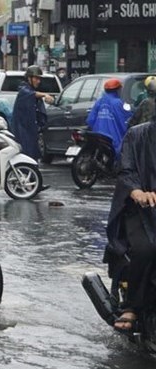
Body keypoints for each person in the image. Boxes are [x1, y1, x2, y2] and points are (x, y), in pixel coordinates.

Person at [104, 112, 156, 331]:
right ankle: (132, 306)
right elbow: (126, 170)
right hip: (140, 210)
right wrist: (137, 192)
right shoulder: (138, 135)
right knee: (147, 249)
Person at [10, 65, 54, 161]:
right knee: (25, 156)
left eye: (39, 79)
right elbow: (31, 94)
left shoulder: (31, 91)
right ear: (29, 78)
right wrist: (44, 95)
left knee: (33, 157)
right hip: (21, 131)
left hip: (31, 131)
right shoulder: (23, 90)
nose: (38, 81)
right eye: (36, 78)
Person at [86, 78, 133, 159]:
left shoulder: (99, 102)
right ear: (118, 90)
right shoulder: (118, 103)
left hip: (98, 137)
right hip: (114, 140)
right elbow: (125, 121)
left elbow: (90, 120)